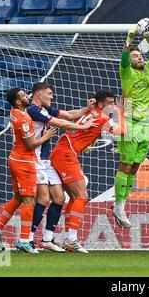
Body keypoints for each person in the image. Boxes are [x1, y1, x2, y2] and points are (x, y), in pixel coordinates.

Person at [50, 90, 126, 253]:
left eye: (113, 102)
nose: (112, 105)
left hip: (62, 150)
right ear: (100, 104)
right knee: (82, 196)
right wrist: (122, 110)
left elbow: (77, 116)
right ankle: (71, 238)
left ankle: (67, 238)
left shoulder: (91, 110)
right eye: (109, 102)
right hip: (66, 154)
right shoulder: (103, 119)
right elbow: (124, 131)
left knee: (75, 197)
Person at [26, 80, 97, 252]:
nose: (52, 96)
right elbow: (61, 124)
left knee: (59, 198)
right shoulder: (33, 110)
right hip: (34, 160)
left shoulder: (44, 109)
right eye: (49, 93)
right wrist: (84, 126)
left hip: (45, 160)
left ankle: (47, 239)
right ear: (40, 94)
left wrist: (86, 110)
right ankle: (28, 238)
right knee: (42, 199)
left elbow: (69, 115)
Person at [112, 24, 149, 228]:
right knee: (125, 165)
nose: (139, 58)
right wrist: (129, 40)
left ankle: (121, 204)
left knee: (135, 168)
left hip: (148, 125)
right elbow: (123, 60)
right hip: (131, 124)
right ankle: (119, 205)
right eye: (135, 56)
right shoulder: (127, 73)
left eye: (140, 56)